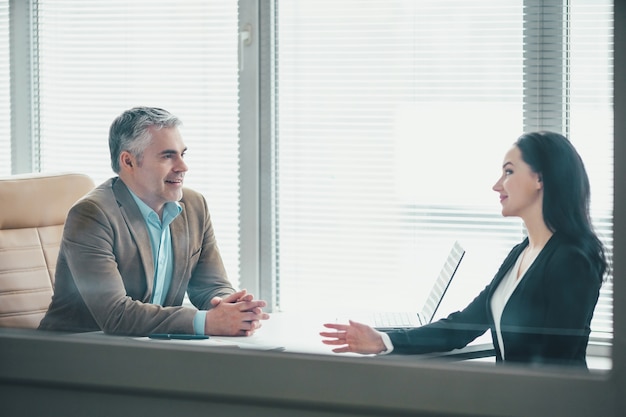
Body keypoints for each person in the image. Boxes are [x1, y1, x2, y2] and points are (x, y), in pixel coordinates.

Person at [320, 131, 608, 367]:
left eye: (508, 171)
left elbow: (554, 366)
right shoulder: (522, 253)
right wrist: (382, 340)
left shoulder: (572, 260)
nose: (497, 185)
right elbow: (464, 325)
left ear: (540, 179)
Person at [39, 106, 269, 337]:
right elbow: (116, 315)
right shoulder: (92, 214)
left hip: (149, 349)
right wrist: (207, 322)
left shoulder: (194, 206)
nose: (183, 166)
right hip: (76, 354)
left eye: (182, 154)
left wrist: (231, 309)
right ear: (128, 162)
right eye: (168, 156)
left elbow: (210, 285)